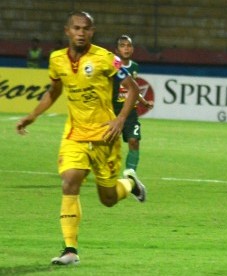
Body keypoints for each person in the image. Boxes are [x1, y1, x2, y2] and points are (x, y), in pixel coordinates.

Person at [16, 11, 147, 266]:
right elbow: (54, 91)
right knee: (69, 181)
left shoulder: (107, 59)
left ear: (92, 32)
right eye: (76, 28)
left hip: (104, 136)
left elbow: (132, 89)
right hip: (75, 134)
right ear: (67, 31)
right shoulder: (56, 60)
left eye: (85, 29)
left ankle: (131, 183)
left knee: (107, 198)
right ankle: (70, 250)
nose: (80, 32)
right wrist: (32, 116)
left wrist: (120, 120)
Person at [113, 35, 154, 172]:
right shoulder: (112, 65)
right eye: (122, 45)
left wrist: (144, 102)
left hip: (130, 112)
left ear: (133, 49)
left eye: (128, 45)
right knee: (107, 145)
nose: (126, 48)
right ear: (117, 50)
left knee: (134, 141)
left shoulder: (135, 67)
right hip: (112, 112)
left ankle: (131, 175)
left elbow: (133, 90)